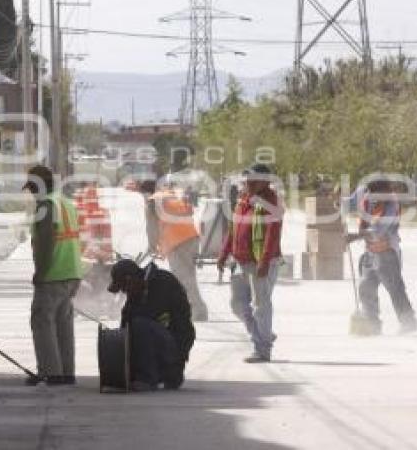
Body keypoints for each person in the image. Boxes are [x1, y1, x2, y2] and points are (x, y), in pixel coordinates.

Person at [22, 165, 84, 386]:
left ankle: (51, 373)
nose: (31, 193)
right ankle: (67, 373)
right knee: (63, 324)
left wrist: (41, 272)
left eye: (31, 188)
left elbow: (46, 242)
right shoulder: (66, 203)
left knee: (42, 321)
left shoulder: (46, 206)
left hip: (53, 274)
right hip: (72, 272)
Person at [217, 163, 284, 363]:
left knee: (260, 306)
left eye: (253, 180)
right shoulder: (244, 200)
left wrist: (264, 261)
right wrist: (223, 253)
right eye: (247, 180)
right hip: (240, 261)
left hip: (261, 264)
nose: (249, 183)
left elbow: (273, 234)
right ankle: (263, 333)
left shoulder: (272, 203)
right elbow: (233, 229)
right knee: (237, 304)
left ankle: (262, 348)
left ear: (265, 182)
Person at [107, 258, 195, 391]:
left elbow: (147, 317)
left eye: (124, 288)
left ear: (130, 279)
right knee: (133, 326)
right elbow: (126, 326)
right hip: (160, 346)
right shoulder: (138, 291)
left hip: (175, 344)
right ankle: (152, 374)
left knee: (140, 325)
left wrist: (177, 364)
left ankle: (147, 378)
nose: (124, 292)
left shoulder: (162, 282)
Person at [346, 180, 417, 335]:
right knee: (366, 287)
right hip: (370, 252)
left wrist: (353, 237)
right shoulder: (364, 192)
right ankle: (372, 324)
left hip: (387, 253)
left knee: (394, 288)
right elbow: (350, 203)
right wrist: (339, 204)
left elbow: (377, 230)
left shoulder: (391, 205)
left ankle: (408, 321)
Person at [140, 180, 208, 321]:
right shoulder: (168, 196)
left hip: (177, 242)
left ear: (146, 193)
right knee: (188, 276)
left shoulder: (152, 201)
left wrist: (152, 246)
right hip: (191, 238)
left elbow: (151, 227)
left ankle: (199, 311)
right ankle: (194, 308)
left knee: (183, 278)